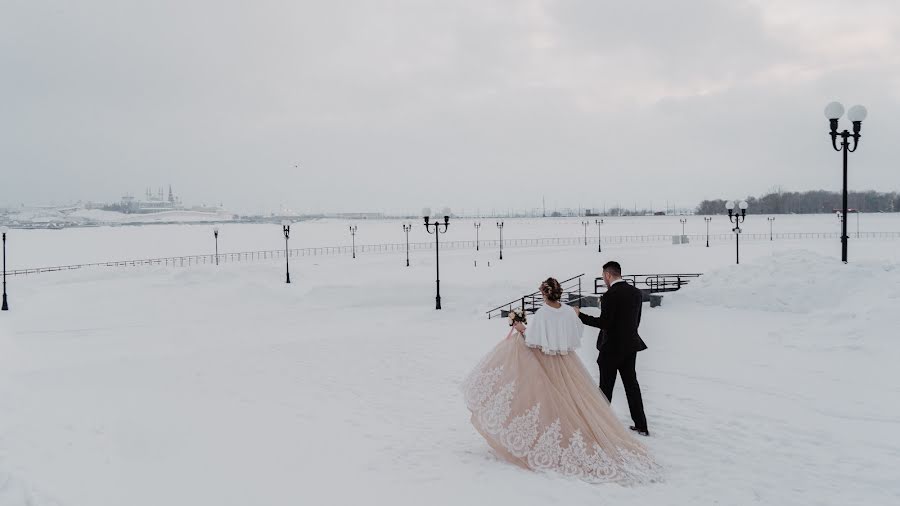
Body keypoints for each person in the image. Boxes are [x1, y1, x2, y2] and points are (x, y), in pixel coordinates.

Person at [461, 277, 658, 484]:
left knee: (550, 400)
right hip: (568, 361)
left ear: (545, 294)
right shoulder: (568, 311)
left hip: (547, 362)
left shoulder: (542, 313)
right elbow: (576, 333)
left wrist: (520, 329)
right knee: (573, 399)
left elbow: (534, 342)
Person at [575, 261, 650, 436]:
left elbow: (604, 323)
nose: (603, 280)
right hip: (630, 346)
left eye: (603, 277)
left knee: (605, 389)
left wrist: (581, 316)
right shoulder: (636, 293)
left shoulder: (610, 296)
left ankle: (600, 425)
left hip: (611, 349)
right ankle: (641, 425)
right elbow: (636, 320)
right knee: (632, 386)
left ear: (608, 275)